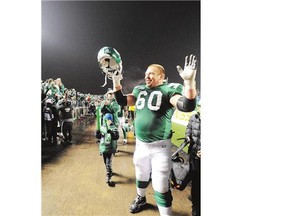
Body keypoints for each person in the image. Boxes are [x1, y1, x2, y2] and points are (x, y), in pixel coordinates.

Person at [111, 54, 198, 215]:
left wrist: (189, 82)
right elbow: (123, 101)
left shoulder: (168, 89)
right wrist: (116, 82)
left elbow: (187, 105)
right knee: (141, 174)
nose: (147, 75)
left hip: (160, 148)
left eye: (151, 73)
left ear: (161, 77)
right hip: (141, 145)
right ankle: (141, 197)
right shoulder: (139, 89)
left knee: (160, 185)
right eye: (146, 73)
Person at [185, 101, 201, 216]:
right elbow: (188, 129)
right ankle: (196, 206)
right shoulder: (193, 117)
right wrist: (187, 137)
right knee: (195, 182)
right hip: (194, 155)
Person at [96, 113, 119, 186]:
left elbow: (116, 137)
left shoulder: (114, 128)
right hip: (103, 148)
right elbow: (99, 137)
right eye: (106, 120)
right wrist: (97, 133)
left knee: (108, 161)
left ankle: (108, 175)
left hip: (110, 148)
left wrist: (111, 133)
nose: (108, 121)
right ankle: (109, 170)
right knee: (105, 161)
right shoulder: (102, 127)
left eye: (109, 120)